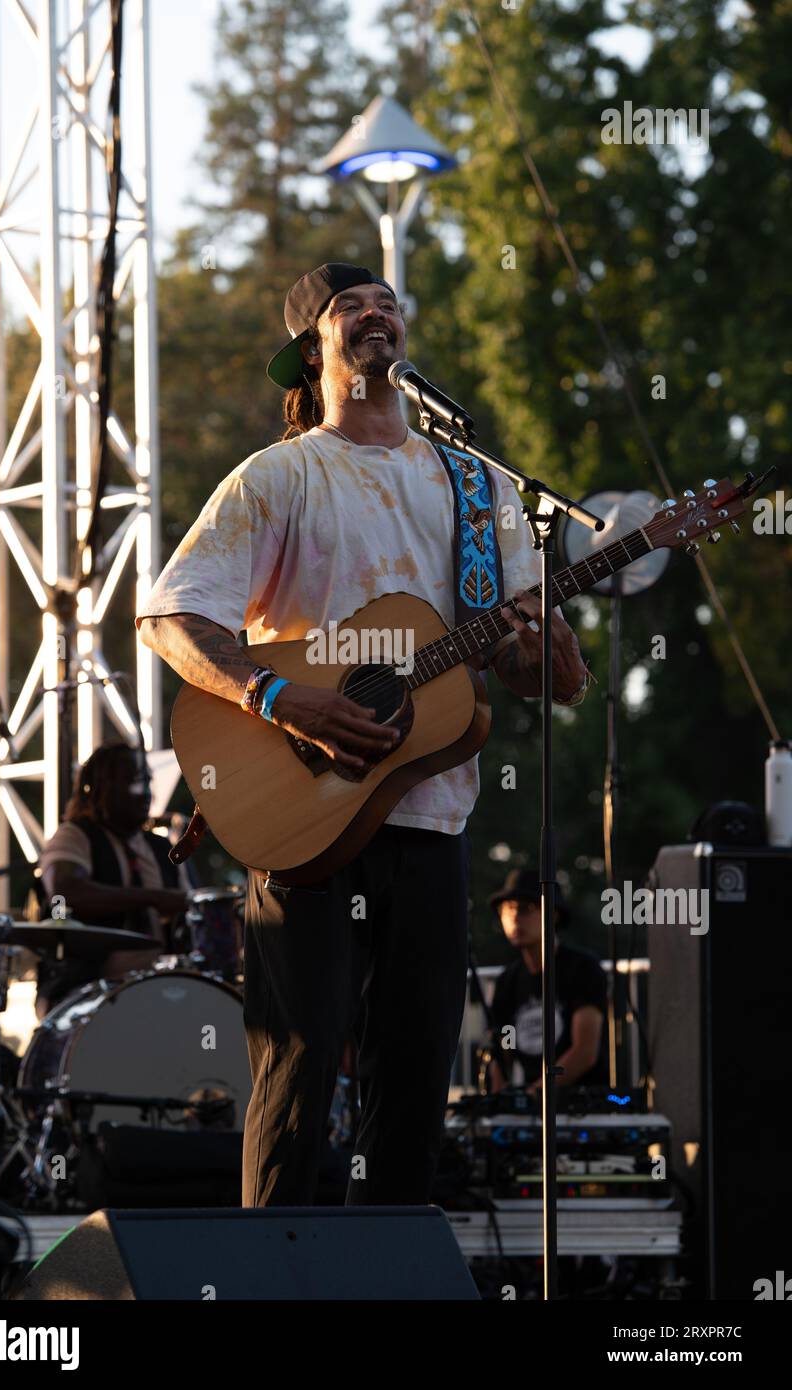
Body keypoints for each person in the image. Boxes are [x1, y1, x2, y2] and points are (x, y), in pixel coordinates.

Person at [136, 262, 590, 1206]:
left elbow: (512, 664)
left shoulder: (473, 486)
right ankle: (273, 1279)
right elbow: (172, 618)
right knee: (300, 1069)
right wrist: (276, 698)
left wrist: (550, 657)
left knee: (418, 1073)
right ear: (315, 350)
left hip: (432, 816)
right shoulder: (281, 476)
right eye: (354, 307)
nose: (379, 314)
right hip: (302, 816)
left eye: (389, 301)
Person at [35, 741, 189, 1016]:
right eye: (132, 783)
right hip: (88, 993)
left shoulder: (162, 848)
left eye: (146, 783)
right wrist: (153, 900)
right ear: (96, 789)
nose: (145, 795)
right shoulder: (75, 836)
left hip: (163, 989)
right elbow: (64, 891)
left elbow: (193, 913)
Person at [486, 868, 607, 1094]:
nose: (514, 918)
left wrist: (536, 1094)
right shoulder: (507, 981)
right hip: (533, 1101)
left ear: (553, 913)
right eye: (507, 909)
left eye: (525, 908)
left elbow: (584, 1052)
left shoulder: (582, 969)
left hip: (581, 1102)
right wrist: (497, 1105)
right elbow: (505, 1051)